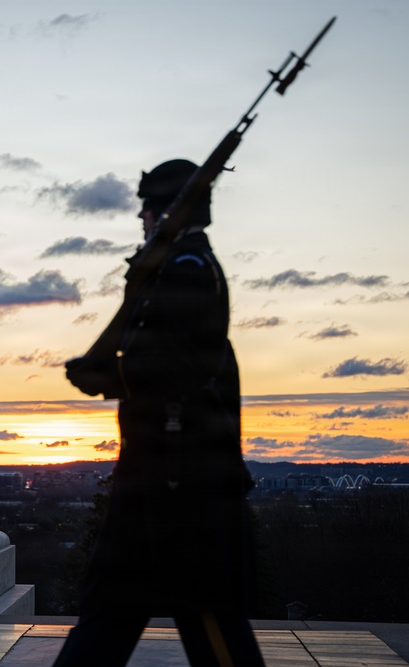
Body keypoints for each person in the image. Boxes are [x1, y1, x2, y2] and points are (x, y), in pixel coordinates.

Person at [55, 159, 265, 667]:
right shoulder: (173, 268)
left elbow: (191, 363)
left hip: (186, 486)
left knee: (211, 622)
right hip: (156, 478)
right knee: (109, 613)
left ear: (170, 209)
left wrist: (110, 377)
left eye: (149, 205)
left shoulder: (189, 269)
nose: (142, 215)